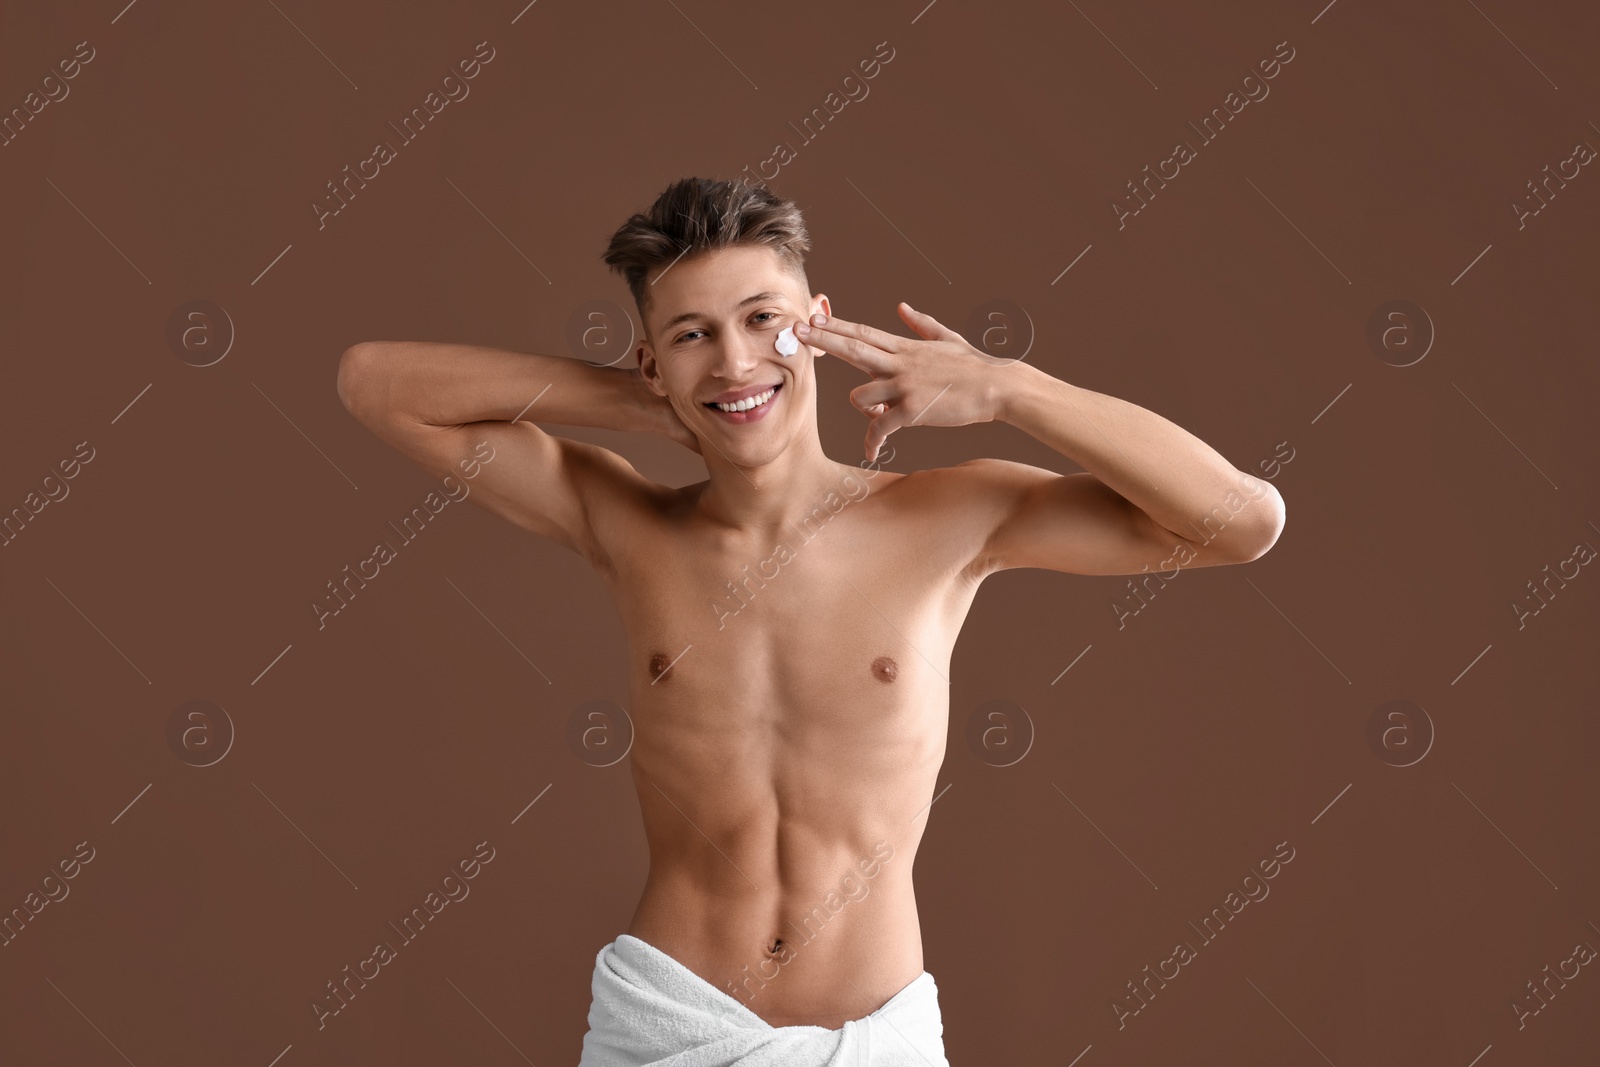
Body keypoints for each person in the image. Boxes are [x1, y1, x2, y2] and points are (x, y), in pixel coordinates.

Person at [336, 177, 1286, 1065]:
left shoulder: (949, 516)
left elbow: (1241, 521)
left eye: (763, 322)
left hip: (872, 1039)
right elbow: (373, 383)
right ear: (650, 356)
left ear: (818, 327)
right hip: (667, 1029)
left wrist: (1008, 388)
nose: (738, 359)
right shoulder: (626, 523)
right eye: (693, 334)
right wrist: (645, 400)